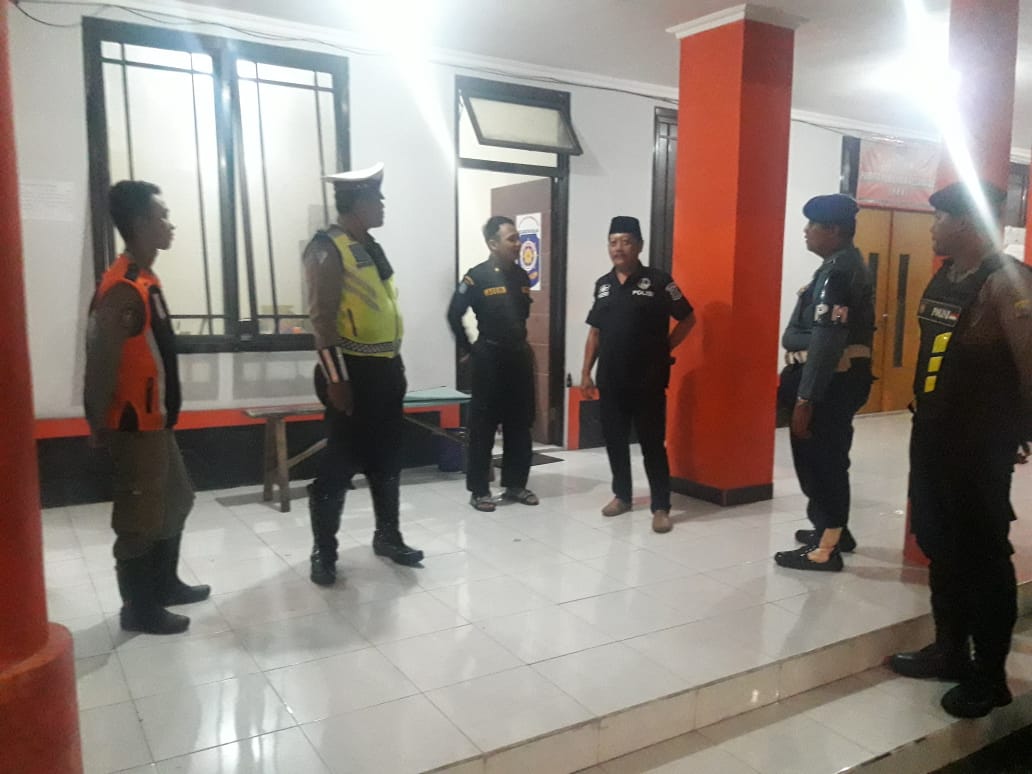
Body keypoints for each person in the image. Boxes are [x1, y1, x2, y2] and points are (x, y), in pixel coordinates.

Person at [889, 180, 1032, 719]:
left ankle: (989, 676)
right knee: (938, 542)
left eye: (940, 218)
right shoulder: (946, 275)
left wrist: (1019, 432)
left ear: (967, 222)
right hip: (933, 435)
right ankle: (949, 650)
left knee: (983, 554)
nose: (933, 227)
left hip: (980, 444)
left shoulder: (1007, 282)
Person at [83, 180, 210, 635]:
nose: (169, 224)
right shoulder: (122, 288)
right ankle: (138, 609)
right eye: (162, 216)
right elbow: (101, 362)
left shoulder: (146, 280)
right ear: (139, 224)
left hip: (156, 421)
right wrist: (97, 421)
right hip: (134, 424)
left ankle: (164, 584)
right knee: (139, 517)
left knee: (177, 499)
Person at [303, 162, 423, 586]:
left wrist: (395, 364)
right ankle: (324, 551)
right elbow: (322, 319)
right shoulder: (326, 248)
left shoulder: (370, 246)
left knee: (387, 457)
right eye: (377, 198)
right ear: (357, 203)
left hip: (384, 368)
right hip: (351, 372)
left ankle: (388, 535)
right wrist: (337, 380)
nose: (383, 204)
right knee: (339, 463)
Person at [773, 194, 875, 572]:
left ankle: (826, 549)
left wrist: (806, 398)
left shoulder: (838, 273)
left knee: (821, 463)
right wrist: (802, 337)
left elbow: (827, 338)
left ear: (832, 230)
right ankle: (832, 530)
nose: (805, 231)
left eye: (812, 225)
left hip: (828, 383)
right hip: (835, 379)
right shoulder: (838, 267)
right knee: (828, 458)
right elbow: (806, 335)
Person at [580, 216, 695, 534]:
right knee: (615, 441)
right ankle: (622, 496)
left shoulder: (659, 281)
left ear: (640, 246)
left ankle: (661, 506)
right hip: (611, 378)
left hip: (648, 379)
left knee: (652, 444)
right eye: (613, 242)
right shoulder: (603, 284)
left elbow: (688, 318)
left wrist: (665, 346)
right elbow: (595, 332)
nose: (618, 248)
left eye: (626, 241)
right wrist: (586, 372)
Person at [447, 216, 539, 512]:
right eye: (512, 239)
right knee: (483, 426)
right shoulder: (476, 277)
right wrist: (469, 349)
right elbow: (454, 313)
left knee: (519, 424)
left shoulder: (522, 276)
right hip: (489, 358)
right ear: (493, 243)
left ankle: (515, 484)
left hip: (518, 358)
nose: (518, 244)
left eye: (518, 238)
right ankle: (479, 490)